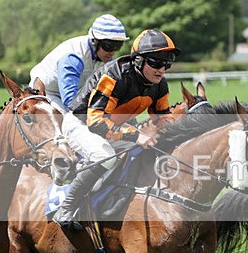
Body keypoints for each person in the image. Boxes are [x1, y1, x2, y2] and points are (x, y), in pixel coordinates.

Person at [52, 28, 180, 230]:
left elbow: (164, 119)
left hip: (111, 127)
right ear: (138, 60)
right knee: (107, 156)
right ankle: (66, 208)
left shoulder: (160, 85)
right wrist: (137, 135)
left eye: (167, 63)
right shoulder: (115, 75)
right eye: (156, 62)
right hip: (80, 123)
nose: (162, 69)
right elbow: (95, 122)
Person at [30, 14, 128, 113]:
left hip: (74, 96)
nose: (112, 52)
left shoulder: (107, 59)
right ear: (94, 41)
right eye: (108, 46)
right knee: (68, 123)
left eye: (117, 46)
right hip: (49, 93)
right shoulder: (73, 57)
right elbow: (71, 102)